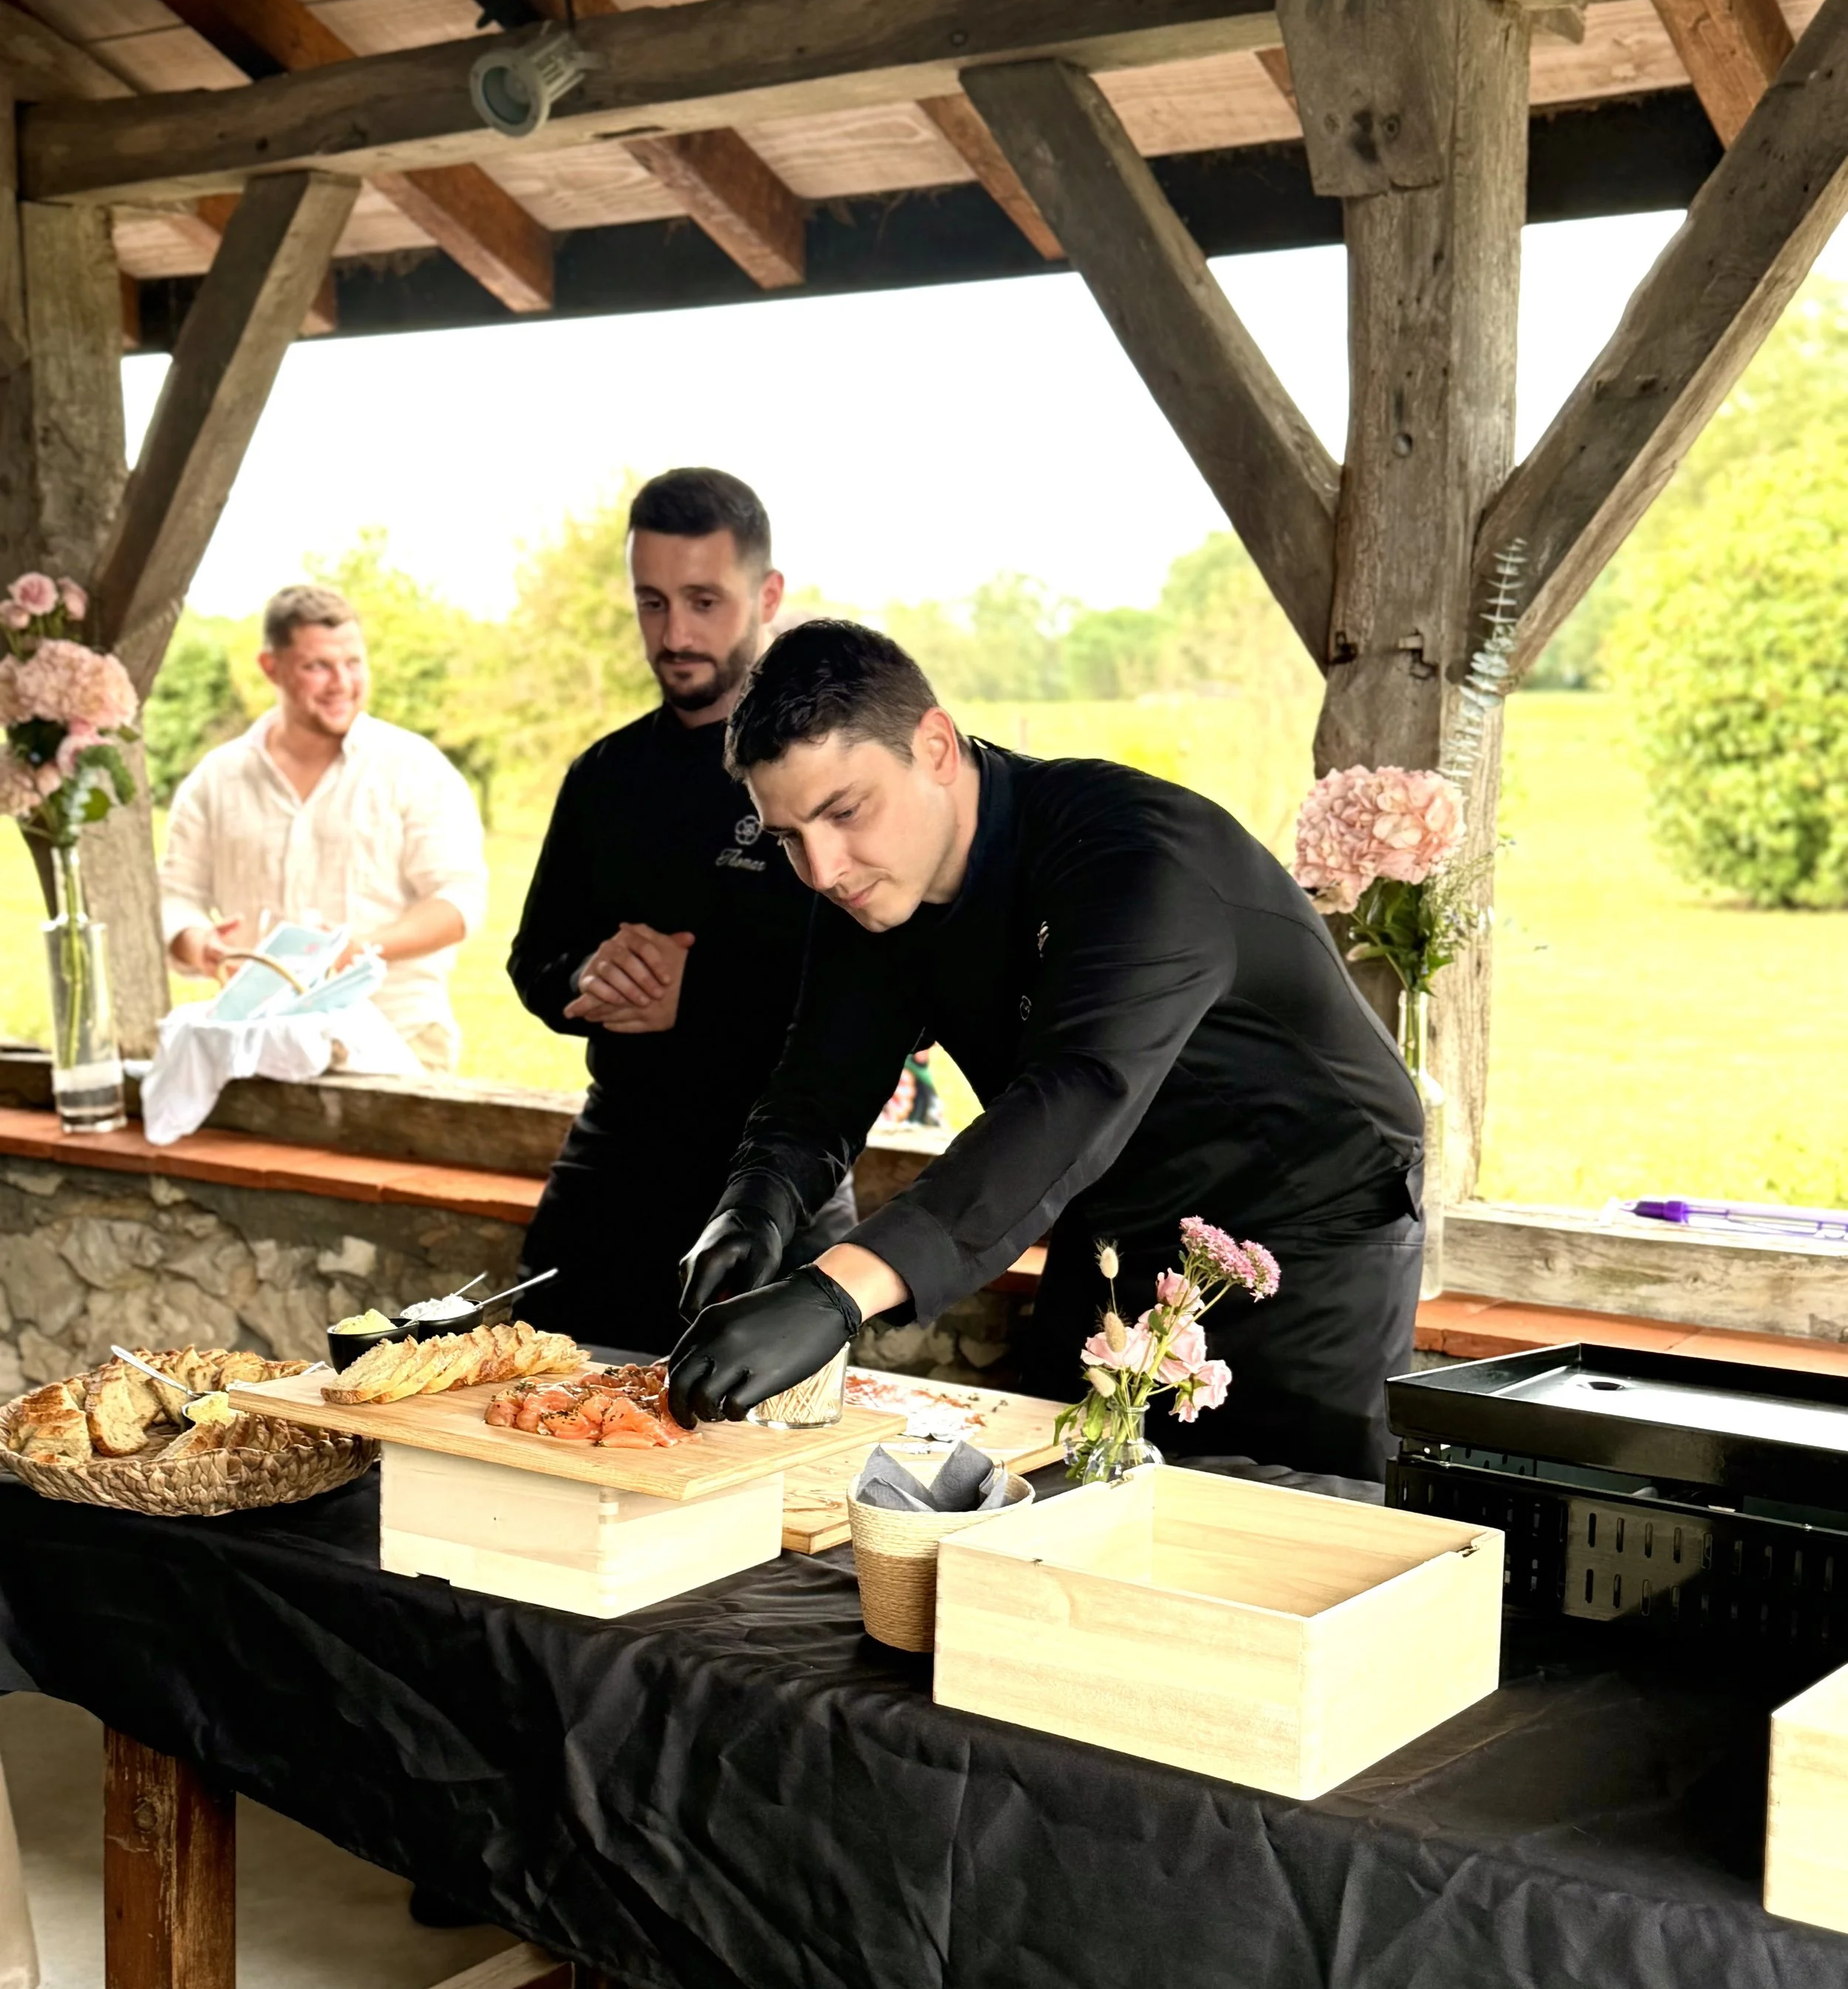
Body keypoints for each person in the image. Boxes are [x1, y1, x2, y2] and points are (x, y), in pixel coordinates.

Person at [670, 619, 1427, 1484]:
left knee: (1276, 1541)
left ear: (936, 745)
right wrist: (755, 1206)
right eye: (787, 836)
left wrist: (833, 1294)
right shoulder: (867, 883)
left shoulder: (1138, 856)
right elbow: (819, 1086)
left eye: (844, 811)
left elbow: (1073, 1095)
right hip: (1108, 1218)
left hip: (1305, 1235)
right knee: (1049, 1505)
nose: (821, 868)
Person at [509, 469, 854, 1354]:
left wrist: (692, 999)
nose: (676, 634)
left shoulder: (831, 773)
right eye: (652, 603)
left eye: (704, 601)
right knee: (531, 1418)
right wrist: (590, 974)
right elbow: (533, 960)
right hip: (611, 1163)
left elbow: (872, 996)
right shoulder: (605, 775)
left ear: (768, 595)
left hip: (774, 1177)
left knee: (759, 1462)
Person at [159, 584, 488, 1072]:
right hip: (256, 1045)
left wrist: (360, 951)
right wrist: (198, 942)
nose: (342, 683)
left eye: (353, 663)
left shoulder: (416, 768)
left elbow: (459, 902)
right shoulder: (217, 778)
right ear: (271, 667)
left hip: (398, 1040)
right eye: (318, 666)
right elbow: (173, 896)